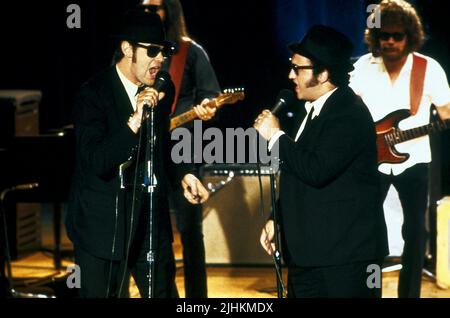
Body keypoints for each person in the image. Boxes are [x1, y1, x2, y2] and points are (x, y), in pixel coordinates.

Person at [66, 9, 209, 298]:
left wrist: (185, 174)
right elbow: (97, 161)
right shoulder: (93, 94)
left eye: (164, 51)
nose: (160, 59)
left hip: (149, 223)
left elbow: (163, 145)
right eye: (152, 51)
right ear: (127, 49)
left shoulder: (157, 93)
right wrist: (133, 121)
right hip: (102, 227)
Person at [254, 25, 389, 298]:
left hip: (345, 261)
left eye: (298, 69)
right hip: (310, 257)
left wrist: (275, 137)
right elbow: (297, 174)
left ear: (324, 73)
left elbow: (316, 170)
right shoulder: (314, 111)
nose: (290, 75)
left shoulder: (348, 113)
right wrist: (276, 218)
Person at [350, 0, 450, 298]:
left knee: (415, 235)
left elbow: (445, 111)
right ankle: (370, 292)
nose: (390, 41)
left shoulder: (428, 68)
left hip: (415, 161)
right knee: (367, 235)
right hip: (370, 162)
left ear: (410, 36)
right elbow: (346, 113)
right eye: (384, 35)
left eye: (397, 35)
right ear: (375, 36)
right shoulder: (361, 68)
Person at [141, 0, 220, 298]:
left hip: (183, 150)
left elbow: (211, 95)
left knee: (189, 230)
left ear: (170, 11)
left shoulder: (189, 51)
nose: (148, 13)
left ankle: (196, 300)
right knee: (153, 231)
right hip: (147, 150)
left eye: (155, 8)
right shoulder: (134, 51)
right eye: (144, 7)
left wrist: (207, 108)